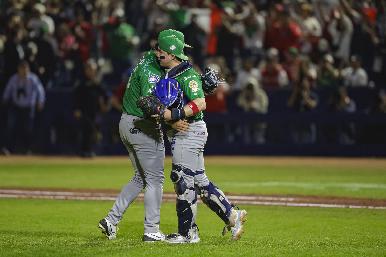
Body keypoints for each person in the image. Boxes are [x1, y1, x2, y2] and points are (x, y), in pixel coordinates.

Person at [150, 35, 247, 243]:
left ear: (171, 52)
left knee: (182, 180)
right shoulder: (170, 74)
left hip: (190, 131)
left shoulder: (187, 74)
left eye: (160, 49)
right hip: (185, 131)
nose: (157, 53)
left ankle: (188, 234)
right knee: (200, 183)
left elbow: (200, 103)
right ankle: (232, 216)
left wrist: (175, 116)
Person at [97, 29, 189, 242]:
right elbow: (150, 105)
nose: (176, 59)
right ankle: (151, 230)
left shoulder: (148, 56)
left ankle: (111, 220)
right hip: (142, 124)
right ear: (164, 52)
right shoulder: (152, 72)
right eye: (173, 54)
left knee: (140, 178)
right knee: (155, 179)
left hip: (126, 123)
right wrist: (173, 119)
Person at [2, 60, 45, 154]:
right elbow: (8, 89)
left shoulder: (33, 79)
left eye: (25, 69)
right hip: (16, 106)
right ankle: (9, 148)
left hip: (28, 107)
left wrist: (40, 101)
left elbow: (40, 91)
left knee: (28, 128)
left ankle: (27, 149)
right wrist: (5, 99)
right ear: (18, 69)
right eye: (21, 69)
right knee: (11, 126)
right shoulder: (14, 78)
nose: (23, 71)